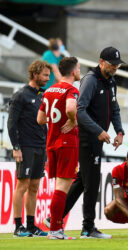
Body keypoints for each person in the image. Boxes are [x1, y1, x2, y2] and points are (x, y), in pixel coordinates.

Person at [55, 46, 125, 239]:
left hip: (98, 138)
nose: (115, 68)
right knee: (91, 184)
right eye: (112, 64)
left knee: (82, 181)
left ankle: (55, 217)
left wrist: (119, 131)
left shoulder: (111, 82)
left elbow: (115, 108)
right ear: (101, 62)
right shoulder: (90, 80)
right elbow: (80, 110)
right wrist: (99, 131)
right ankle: (88, 228)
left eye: (117, 65)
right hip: (87, 138)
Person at [37, 56, 80, 240]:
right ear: (73, 71)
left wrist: (56, 122)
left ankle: (55, 228)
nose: (79, 71)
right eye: (78, 68)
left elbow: (40, 119)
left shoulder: (49, 91)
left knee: (58, 188)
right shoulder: (71, 90)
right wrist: (72, 120)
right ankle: (54, 230)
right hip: (67, 143)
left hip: (52, 143)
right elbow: (71, 108)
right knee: (62, 188)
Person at [7, 60, 50, 237]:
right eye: (45, 75)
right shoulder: (21, 95)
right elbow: (11, 123)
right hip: (25, 147)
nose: (48, 78)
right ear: (35, 74)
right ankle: (18, 227)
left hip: (41, 146)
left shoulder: (44, 95)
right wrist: (16, 147)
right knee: (22, 185)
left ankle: (31, 226)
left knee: (34, 187)